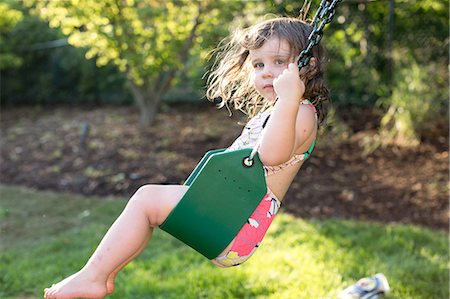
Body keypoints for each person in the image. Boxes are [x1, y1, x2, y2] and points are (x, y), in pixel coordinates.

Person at [44, 16, 329, 299]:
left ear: (308, 65)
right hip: (227, 213)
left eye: (279, 62)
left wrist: (290, 100)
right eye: (258, 64)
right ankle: (102, 276)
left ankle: (93, 276)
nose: (267, 72)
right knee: (148, 209)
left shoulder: (301, 111)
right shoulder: (282, 109)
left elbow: (270, 156)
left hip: (236, 223)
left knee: (147, 200)